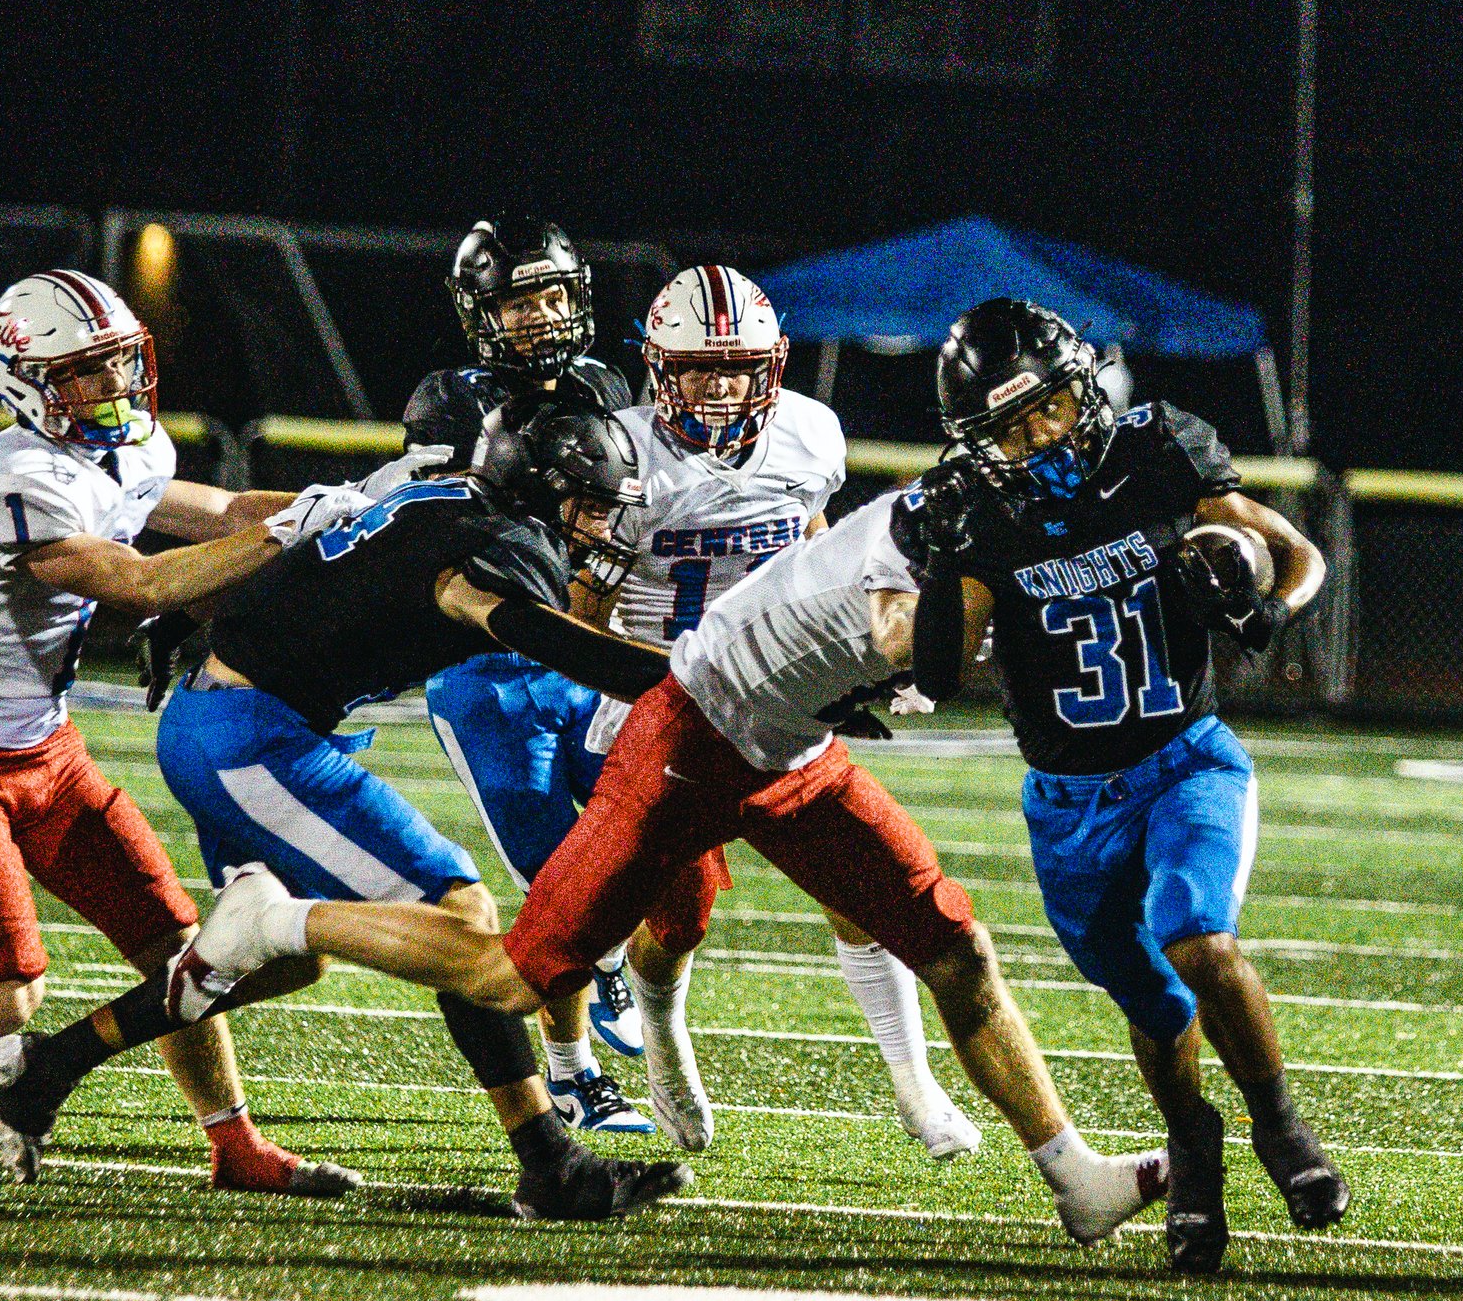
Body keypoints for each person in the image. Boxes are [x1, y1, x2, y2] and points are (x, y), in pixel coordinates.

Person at [157, 462, 1172, 1246]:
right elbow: (912, 645)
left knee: (954, 944)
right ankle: (274, 920)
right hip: (691, 738)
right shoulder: (909, 548)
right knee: (515, 976)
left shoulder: (919, 510)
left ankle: (1071, 1174)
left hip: (791, 746)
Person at [0, 401, 695, 1221]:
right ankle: (549, 1161)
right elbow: (560, 645)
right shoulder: (493, 553)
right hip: (250, 739)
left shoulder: (448, 497)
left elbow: (326, 559)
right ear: (541, 493)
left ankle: (50, 1070)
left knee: (296, 968)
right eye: (590, 504)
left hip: (231, 721)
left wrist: (195, 616)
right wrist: (717, 680)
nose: (602, 527)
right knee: (460, 920)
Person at [0, 270, 360, 1197]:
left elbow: (215, 513)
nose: (114, 387)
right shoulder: (8, 479)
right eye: (87, 372)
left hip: (47, 751)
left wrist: (347, 506)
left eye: (120, 363)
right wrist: (287, 537)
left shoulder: (125, 449)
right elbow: (137, 583)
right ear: (28, 383)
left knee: (186, 959)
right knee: (7, 992)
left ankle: (233, 1144)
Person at [892, 297, 1347, 1274]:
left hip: (1185, 759)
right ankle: (1193, 1145)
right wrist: (937, 557)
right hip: (1067, 804)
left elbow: (1298, 554)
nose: (1040, 434)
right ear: (979, 442)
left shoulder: (1160, 450)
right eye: (1010, 428)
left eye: (1050, 408)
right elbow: (936, 671)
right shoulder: (980, 510)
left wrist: (1266, 608)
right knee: (1153, 1004)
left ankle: (1280, 1128)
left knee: (1199, 937)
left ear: (1083, 387)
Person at [514, 263, 980, 1158]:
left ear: (772, 365)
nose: (719, 383)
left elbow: (818, 550)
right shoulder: (617, 450)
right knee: (672, 921)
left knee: (863, 894)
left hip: (782, 693)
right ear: (658, 367)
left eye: (738, 364)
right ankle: (659, 1031)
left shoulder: (809, 435)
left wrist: (870, 657)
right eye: (696, 366)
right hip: (658, 702)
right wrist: (605, 574)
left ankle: (917, 1091)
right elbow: (577, 623)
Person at [405, 217, 651, 1130]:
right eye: (519, 301)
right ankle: (575, 1075)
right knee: (558, 884)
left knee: (639, 837)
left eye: (553, 294)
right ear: (481, 314)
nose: (542, 317)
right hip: (488, 668)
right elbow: (425, 527)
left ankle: (612, 960)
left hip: (580, 653)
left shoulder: (602, 384)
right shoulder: (447, 403)